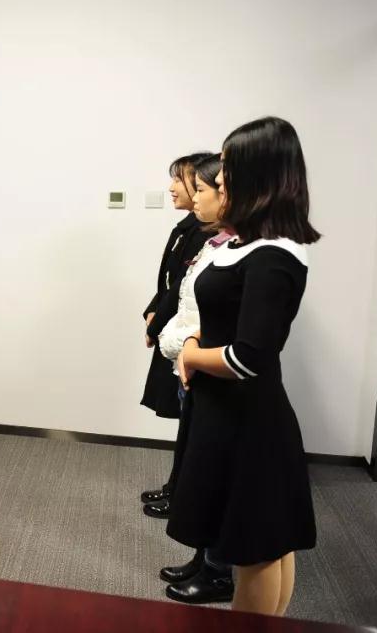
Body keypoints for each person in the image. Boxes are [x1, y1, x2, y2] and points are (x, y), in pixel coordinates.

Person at [169, 117, 320, 616]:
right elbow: (218, 320)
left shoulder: (275, 255)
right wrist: (195, 339)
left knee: (257, 548)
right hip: (223, 412)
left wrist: (191, 355)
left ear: (258, 175)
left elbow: (248, 357)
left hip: (248, 420)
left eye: (228, 166)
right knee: (265, 542)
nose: (219, 176)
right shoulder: (244, 244)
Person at [153, 154, 236, 604]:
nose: (183, 192)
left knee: (214, 475)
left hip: (214, 373)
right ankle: (205, 558)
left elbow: (230, 331)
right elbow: (184, 298)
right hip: (194, 366)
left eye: (201, 187)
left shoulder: (256, 251)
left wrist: (189, 350)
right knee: (199, 467)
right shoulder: (216, 241)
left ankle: (218, 570)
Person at [139, 152, 212, 517]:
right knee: (187, 422)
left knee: (194, 426)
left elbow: (183, 288)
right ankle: (176, 488)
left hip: (191, 341)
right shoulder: (189, 227)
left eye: (181, 181)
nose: (172, 188)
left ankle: (181, 494)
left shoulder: (205, 234)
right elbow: (170, 283)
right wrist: (152, 311)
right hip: (177, 334)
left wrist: (155, 325)